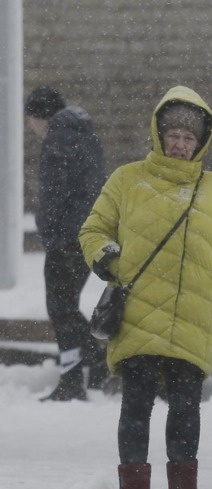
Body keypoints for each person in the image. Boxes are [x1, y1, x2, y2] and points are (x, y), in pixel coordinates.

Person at [79, 86, 212, 489]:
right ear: (158, 133)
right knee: (136, 405)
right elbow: (93, 231)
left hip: (191, 316)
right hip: (138, 312)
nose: (180, 144)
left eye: (189, 138)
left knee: (187, 410)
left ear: (201, 143)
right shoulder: (126, 179)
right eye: (173, 134)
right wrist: (109, 259)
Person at [24, 86, 109, 401]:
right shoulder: (83, 133)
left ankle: (73, 379)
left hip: (67, 237)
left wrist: (49, 228)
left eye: (30, 119)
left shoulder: (59, 137)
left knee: (60, 309)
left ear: (38, 116)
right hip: (87, 235)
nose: (30, 126)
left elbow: (56, 192)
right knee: (66, 308)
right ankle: (98, 361)